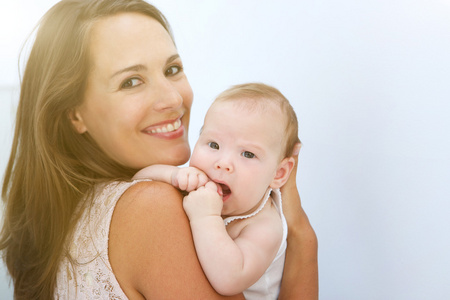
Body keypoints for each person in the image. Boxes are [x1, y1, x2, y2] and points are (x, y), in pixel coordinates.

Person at [0, 0, 318, 299]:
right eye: (131, 82)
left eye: (171, 69)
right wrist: (302, 236)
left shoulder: (68, 215)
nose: (173, 99)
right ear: (74, 113)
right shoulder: (153, 207)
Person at [133, 82, 299, 299]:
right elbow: (137, 183)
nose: (223, 163)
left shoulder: (265, 226)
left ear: (278, 174)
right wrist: (172, 175)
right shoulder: (197, 179)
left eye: (248, 154)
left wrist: (206, 217)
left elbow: (229, 280)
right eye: (213, 145)